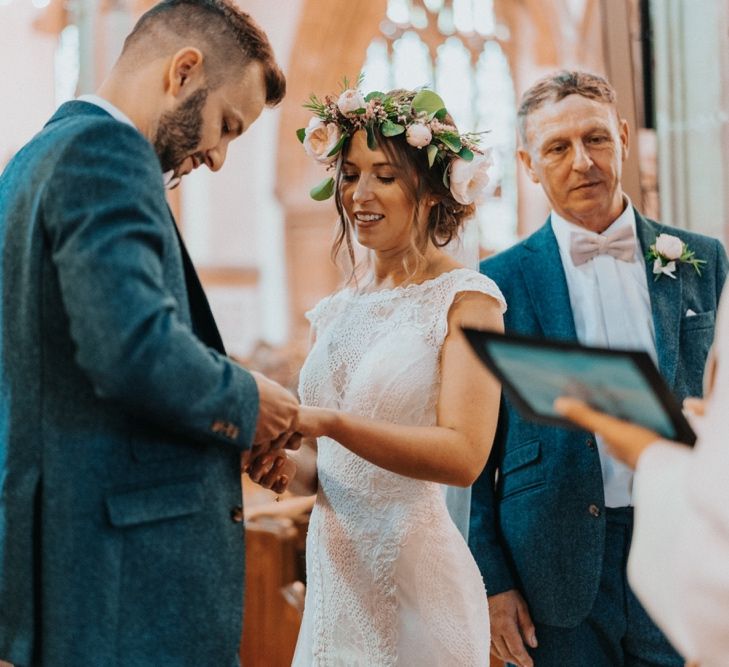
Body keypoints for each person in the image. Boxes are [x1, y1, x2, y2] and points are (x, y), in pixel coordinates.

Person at [0, 1, 299, 665]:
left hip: (70, 564)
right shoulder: (107, 153)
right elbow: (130, 348)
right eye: (226, 124)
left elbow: (75, 374)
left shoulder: (33, 159)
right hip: (122, 582)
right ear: (183, 71)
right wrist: (249, 401)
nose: (218, 156)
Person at [468, 70, 728, 667]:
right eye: (557, 148)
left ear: (625, 138)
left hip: (682, 537)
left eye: (596, 139)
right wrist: (492, 581)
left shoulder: (703, 261)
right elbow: (478, 454)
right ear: (529, 164)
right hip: (551, 559)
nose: (581, 161)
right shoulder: (496, 282)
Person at [251, 85, 504, 665]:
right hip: (336, 579)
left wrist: (332, 423)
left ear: (433, 191)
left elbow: (465, 455)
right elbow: (337, 470)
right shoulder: (336, 310)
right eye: (349, 174)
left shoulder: (469, 301)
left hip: (415, 578)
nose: (359, 194)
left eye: (384, 176)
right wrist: (288, 466)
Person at [555, 285, 729, 667]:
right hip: (558, 549)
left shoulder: (706, 255)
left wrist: (647, 455)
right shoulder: (503, 272)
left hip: (675, 537)